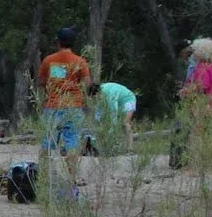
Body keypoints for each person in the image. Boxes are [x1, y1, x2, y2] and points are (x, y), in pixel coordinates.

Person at [37, 27, 91, 157]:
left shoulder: (48, 60)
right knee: (72, 142)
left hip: (52, 106)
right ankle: (71, 177)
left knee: (47, 143)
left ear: (58, 41)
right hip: (73, 107)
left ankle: (44, 175)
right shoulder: (80, 62)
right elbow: (87, 84)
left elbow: (41, 82)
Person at [89, 81, 137, 147]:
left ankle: (130, 148)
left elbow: (113, 114)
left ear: (97, 94)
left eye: (93, 98)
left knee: (125, 123)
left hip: (128, 99)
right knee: (104, 122)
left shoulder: (109, 94)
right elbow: (98, 115)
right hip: (118, 100)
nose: (93, 100)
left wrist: (109, 135)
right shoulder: (100, 96)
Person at [181, 37, 212, 107]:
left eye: (194, 51)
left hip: (205, 105)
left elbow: (202, 85)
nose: (193, 54)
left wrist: (186, 91)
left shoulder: (202, 67)